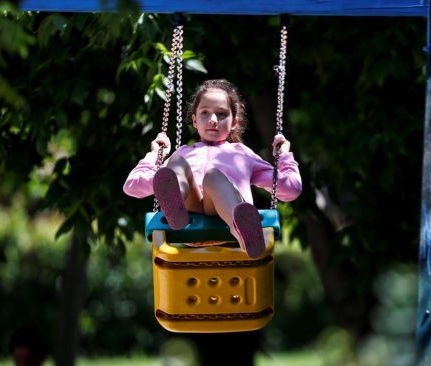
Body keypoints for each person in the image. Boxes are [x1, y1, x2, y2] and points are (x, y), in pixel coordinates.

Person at [123, 79, 301, 258]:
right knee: (176, 163)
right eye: (205, 113)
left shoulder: (242, 154)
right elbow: (132, 186)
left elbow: (291, 189)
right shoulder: (183, 153)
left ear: (234, 122)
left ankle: (243, 230)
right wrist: (155, 155)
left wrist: (285, 156)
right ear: (194, 119)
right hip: (189, 216)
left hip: (225, 215)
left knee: (213, 176)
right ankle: (175, 207)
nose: (213, 120)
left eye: (222, 114)